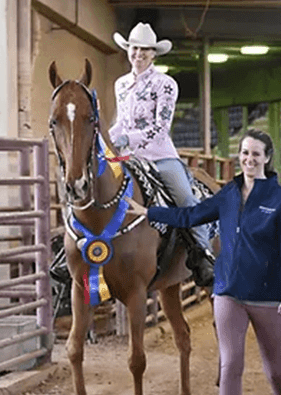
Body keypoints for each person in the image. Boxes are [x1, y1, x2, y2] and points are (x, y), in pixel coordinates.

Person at [125, 129, 281, 395]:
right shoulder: (229, 193)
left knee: (275, 369)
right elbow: (191, 215)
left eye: (256, 154)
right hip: (228, 292)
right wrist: (149, 211)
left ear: (267, 158)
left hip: (267, 296)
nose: (249, 159)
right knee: (231, 364)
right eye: (245, 153)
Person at [109, 22, 213, 286]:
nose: (139, 54)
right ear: (128, 50)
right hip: (128, 158)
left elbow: (160, 127)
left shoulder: (165, 84)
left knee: (185, 197)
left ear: (154, 54)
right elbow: (121, 121)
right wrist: (106, 139)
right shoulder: (120, 85)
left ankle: (203, 254)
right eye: (135, 48)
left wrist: (126, 138)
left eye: (145, 50)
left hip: (160, 157)